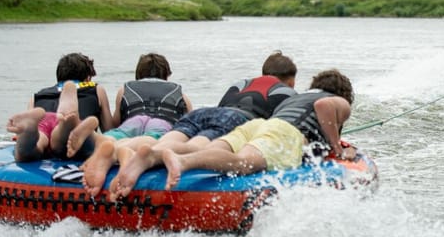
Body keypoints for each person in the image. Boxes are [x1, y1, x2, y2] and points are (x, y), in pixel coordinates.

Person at [91, 51, 298, 200]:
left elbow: (221, 105)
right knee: (199, 146)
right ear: (290, 82)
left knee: (171, 138)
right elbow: (274, 129)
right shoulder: (288, 93)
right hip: (236, 119)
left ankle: (120, 150)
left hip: (205, 112)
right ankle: (152, 155)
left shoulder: (240, 83)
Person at [161, 69, 356, 189]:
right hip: (285, 132)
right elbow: (324, 106)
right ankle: (181, 162)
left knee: (212, 151)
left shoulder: (297, 98)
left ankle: (157, 154)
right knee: (241, 163)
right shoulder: (338, 100)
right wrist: (337, 148)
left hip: (259, 125)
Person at [65, 51, 193, 164]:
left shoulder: (125, 89)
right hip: (162, 123)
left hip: (133, 121)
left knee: (116, 134)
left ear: (138, 74)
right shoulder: (180, 93)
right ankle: (119, 149)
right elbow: (190, 126)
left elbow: (113, 125)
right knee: (150, 140)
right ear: (167, 75)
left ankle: (99, 140)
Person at [6, 52, 114, 162]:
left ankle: (29, 130)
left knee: (33, 146)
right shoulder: (96, 90)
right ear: (88, 78)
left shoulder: (38, 95)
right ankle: (69, 122)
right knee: (64, 138)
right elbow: (110, 129)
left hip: (44, 120)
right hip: (73, 128)